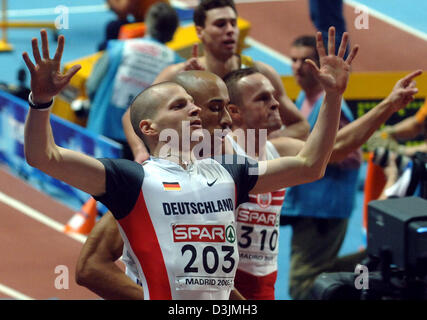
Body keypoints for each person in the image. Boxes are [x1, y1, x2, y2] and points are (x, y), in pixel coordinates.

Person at [23, 27, 349, 299]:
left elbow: (310, 165)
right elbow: (43, 156)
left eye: (194, 104)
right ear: (149, 127)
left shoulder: (229, 172)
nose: (194, 110)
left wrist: (333, 97)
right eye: (179, 105)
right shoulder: (132, 179)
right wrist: (41, 102)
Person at [281, 34, 422, 300]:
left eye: (304, 61)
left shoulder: (333, 107)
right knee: (312, 279)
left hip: (324, 208)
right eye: (293, 60)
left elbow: (348, 151)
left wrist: (319, 155)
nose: (298, 66)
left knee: (304, 287)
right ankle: (374, 261)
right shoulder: (301, 99)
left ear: (317, 66)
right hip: (306, 205)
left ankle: (374, 262)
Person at [122, 0, 310, 163]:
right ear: (200, 31)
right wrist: (141, 153)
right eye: (221, 24)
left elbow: (300, 126)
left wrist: (260, 145)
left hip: (247, 174)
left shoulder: (260, 75)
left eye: (233, 24)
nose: (230, 30)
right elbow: (131, 117)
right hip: (197, 174)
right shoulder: (179, 75)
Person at [86, 2, 182, 161]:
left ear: (148, 24)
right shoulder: (175, 64)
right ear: (173, 32)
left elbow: (92, 85)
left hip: (102, 132)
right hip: (141, 145)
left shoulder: (117, 48)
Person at [98, 0, 169, 51]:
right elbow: (122, 15)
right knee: (114, 27)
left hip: (154, 27)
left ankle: (109, 59)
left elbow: (121, 10)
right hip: (160, 23)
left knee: (112, 29)